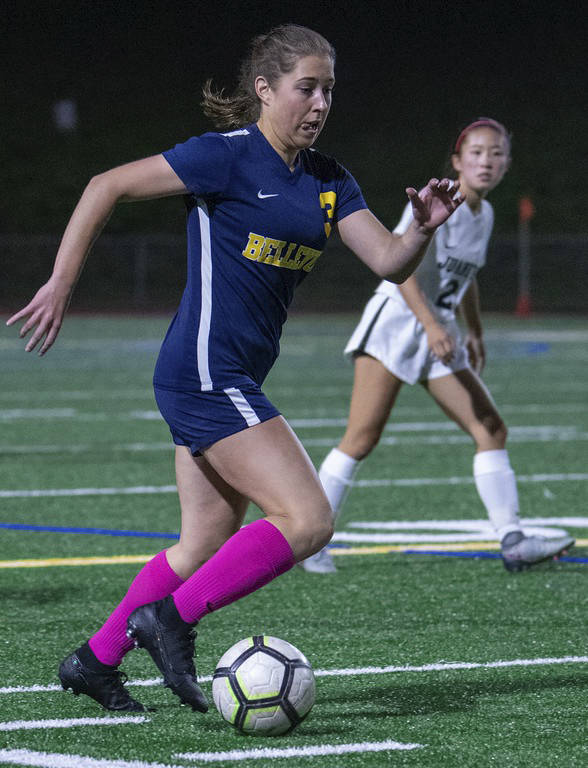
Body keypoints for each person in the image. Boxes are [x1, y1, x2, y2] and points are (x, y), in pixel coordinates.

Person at [7, 24, 464, 713]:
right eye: (305, 88)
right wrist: (62, 282)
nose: (319, 103)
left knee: (200, 545)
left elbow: (389, 261)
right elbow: (106, 185)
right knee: (308, 519)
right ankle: (169, 621)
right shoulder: (223, 158)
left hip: (227, 376)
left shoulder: (329, 181)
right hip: (205, 372)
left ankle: (94, 661)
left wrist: (422, 228)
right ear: (264, 90)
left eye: (329, 90)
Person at [302, 117, 575, 575]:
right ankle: (307, 541)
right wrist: (431, 325)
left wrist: (476, 330)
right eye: (476, 153)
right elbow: (398, 267)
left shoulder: (483, 215)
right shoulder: (437, 201)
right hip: (398, 324)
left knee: (490, 426)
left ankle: (512, 541)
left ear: (506, 163)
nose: (486, 161)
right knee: (361, 438)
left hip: (440, 332)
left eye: (496, 153)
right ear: (457, 161)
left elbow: (465, 279)